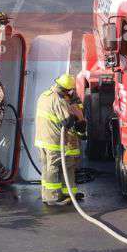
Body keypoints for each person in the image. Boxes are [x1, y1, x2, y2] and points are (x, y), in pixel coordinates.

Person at [34, 73, 84, 207]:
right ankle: (53, 197)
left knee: (47, 166)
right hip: (53, 141)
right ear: (67, 90)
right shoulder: (58, 100)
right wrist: (76, 115)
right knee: (54, 167)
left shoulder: (45, 95)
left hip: (42, 139)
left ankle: (52, 194)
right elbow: (66, 122)